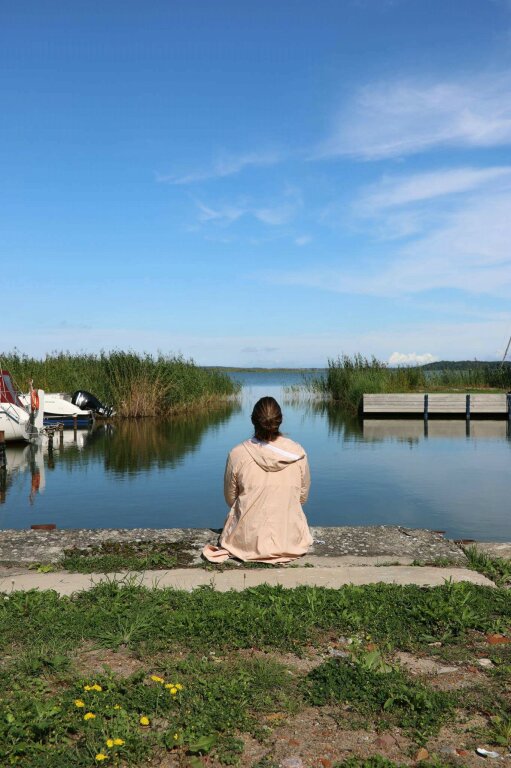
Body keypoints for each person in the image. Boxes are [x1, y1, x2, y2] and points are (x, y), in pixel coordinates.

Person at [203, 396, 312, 563]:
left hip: (246, 542)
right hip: (289, 540)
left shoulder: (237, 454)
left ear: (253, 420)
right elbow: (301, 498)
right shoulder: (298, 453)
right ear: (280, 420)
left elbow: (231, 499)